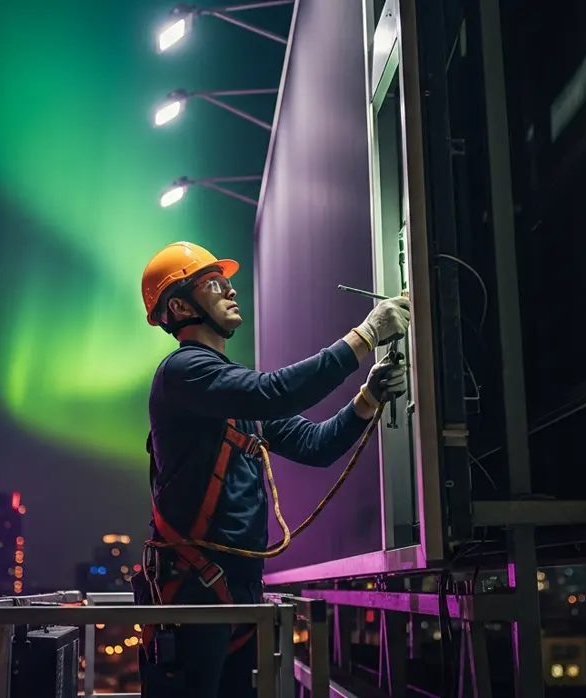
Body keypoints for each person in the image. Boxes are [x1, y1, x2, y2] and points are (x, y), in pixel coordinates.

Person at [133, 241, 411, 697]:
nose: (231, 290)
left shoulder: (230, 389)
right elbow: (275, 392)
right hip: (192, 591)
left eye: (228, 281)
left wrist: (368, 398)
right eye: (214, 284)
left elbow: (314, 444)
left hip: (234, 587)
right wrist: (364, 336)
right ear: (180, 306)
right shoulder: (184, 371)